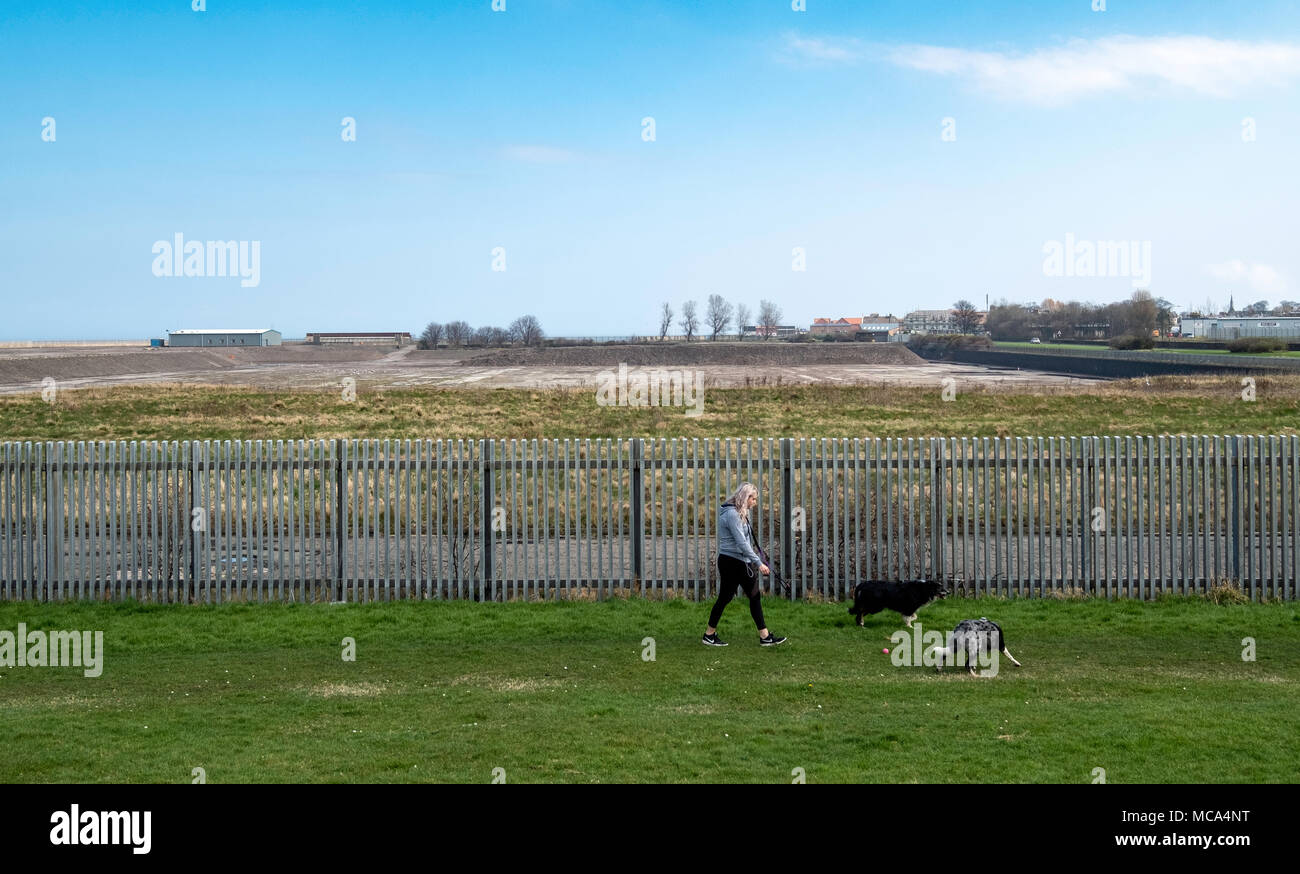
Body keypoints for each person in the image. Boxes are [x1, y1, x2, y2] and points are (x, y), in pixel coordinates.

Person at [702, 482, 787, 647]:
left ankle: (710, 634)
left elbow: (745, 541)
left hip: (738, 561)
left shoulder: (738, 512)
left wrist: (751, 560)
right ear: (744, 497)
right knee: (743, 596)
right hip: (732, 562)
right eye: (753, 499)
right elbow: (742, 543)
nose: (754, 502)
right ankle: (764, 637)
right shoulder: (732, 515)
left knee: (733, 597)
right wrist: (758, 562)